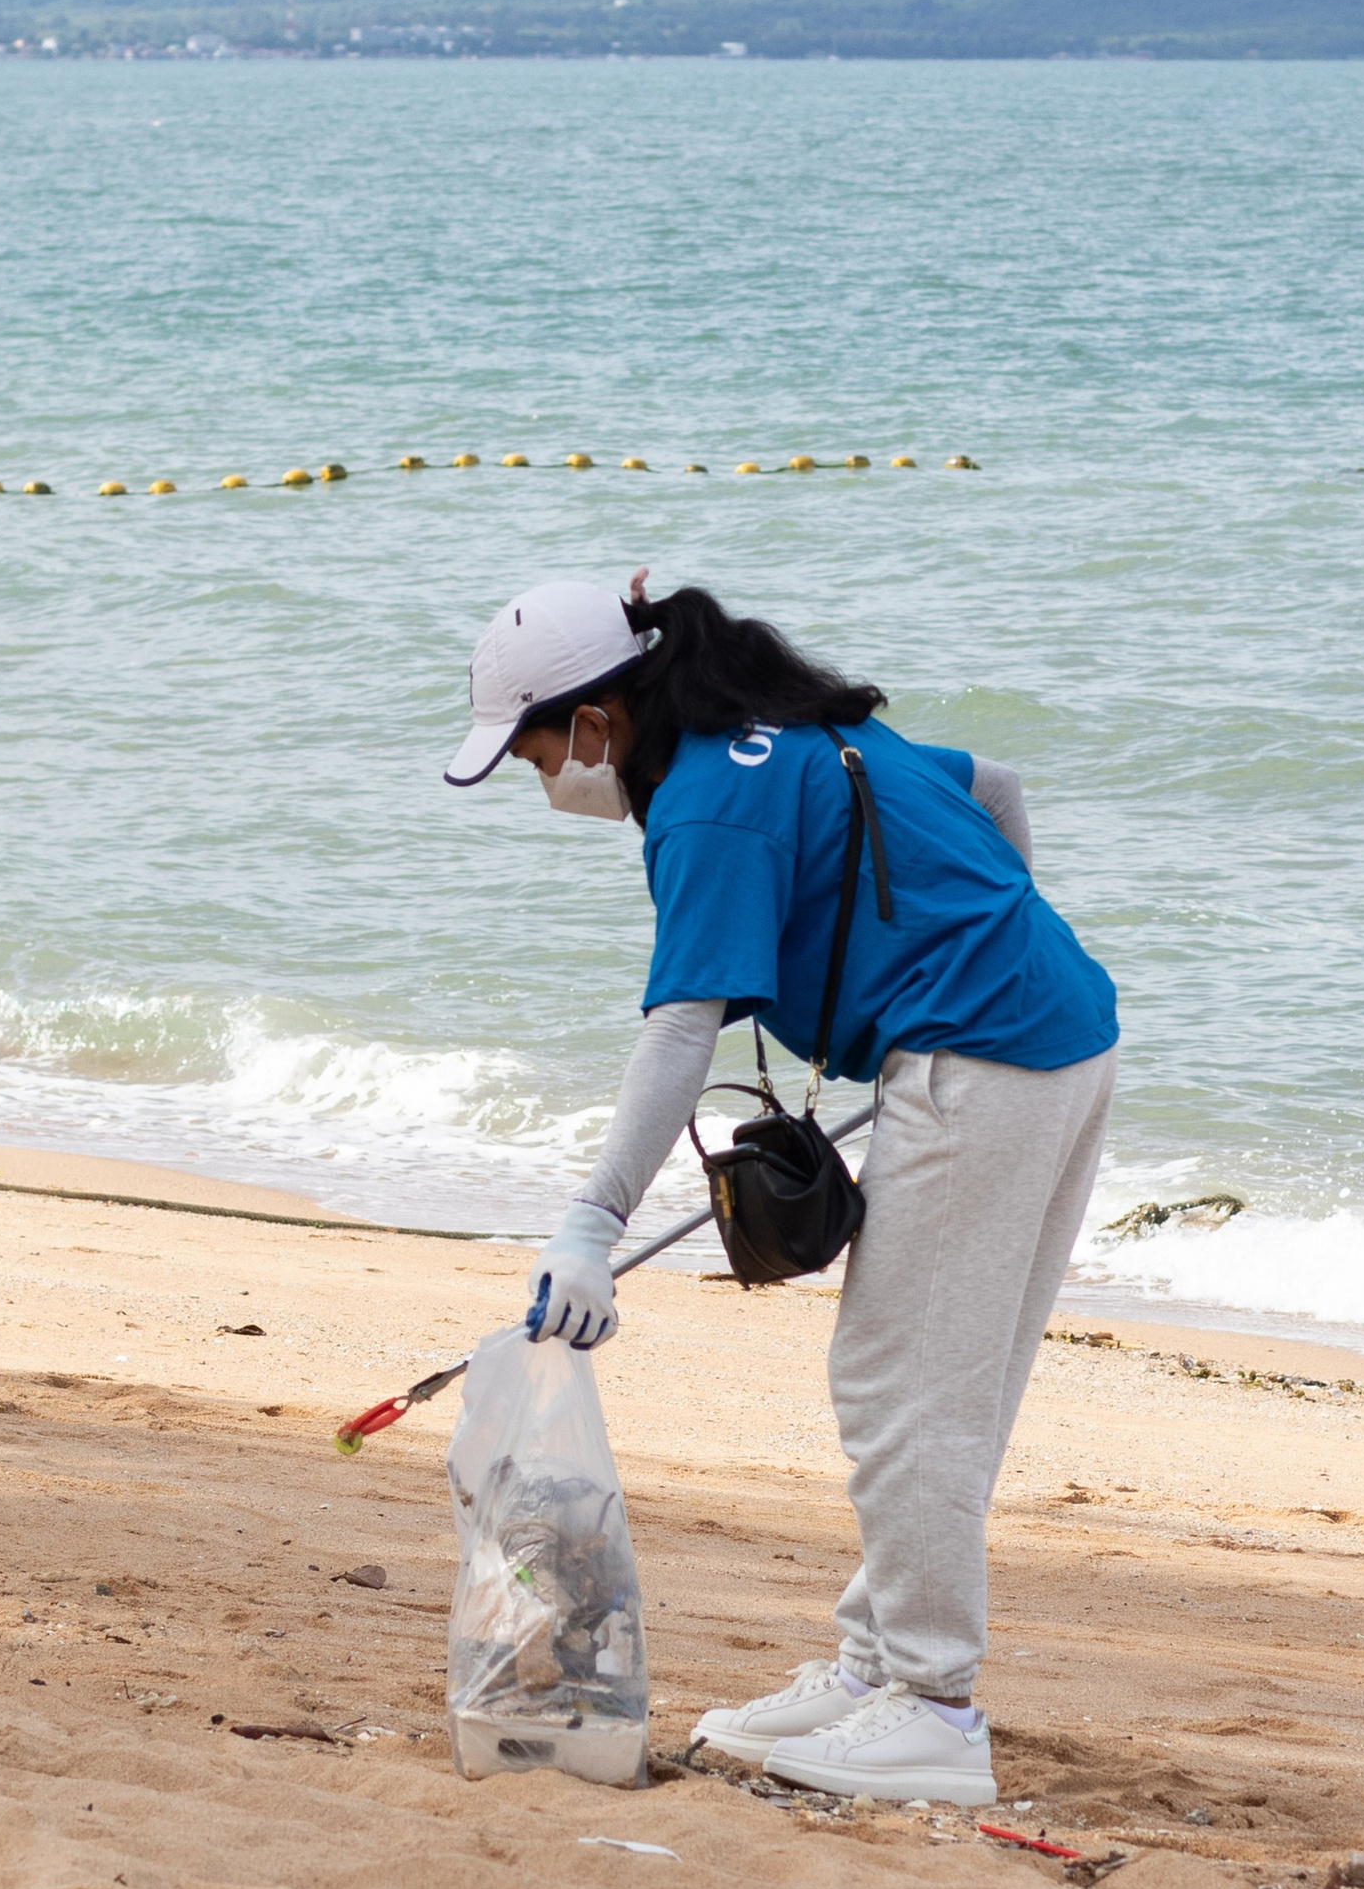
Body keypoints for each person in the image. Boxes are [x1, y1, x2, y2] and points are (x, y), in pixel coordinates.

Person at [444, 573, 1118, 1809]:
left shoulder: (700, 807)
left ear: (595, 723)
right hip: (1052, 1028)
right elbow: (998, 792)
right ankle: (875, 1669)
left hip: (985, 1058)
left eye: (538, 757)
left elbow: (677, 1035)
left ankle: (932, 1707)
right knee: (936, 1381)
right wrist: (979, 949)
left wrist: (592, 1226)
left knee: (898, 1386)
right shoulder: (791, 718)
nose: (545, 786)